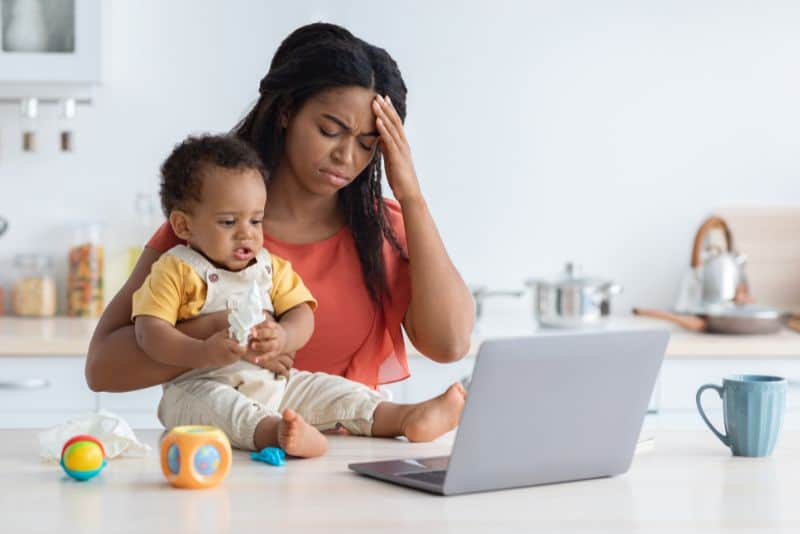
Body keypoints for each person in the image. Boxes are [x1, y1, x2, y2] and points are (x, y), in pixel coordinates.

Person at [85, 23, 474, 403]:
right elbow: (103, 368)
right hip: (234, 459)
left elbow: (450, 344)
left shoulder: (382, 229)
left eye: (367, 145)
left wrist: (411, 196)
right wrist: (228, 329)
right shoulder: (210, 226)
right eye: (329, 130)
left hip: (347, 457)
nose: (346, 156)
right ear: (286, 111)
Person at [134, 134, 466, 455]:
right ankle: (276, 433)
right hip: (199, 384)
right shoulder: (174, 270)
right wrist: (202, 351)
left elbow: (302, 313)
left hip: (273, 384)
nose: (246, 234)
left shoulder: (268, 267)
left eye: (256, 220)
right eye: (228, 222)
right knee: (220, 407)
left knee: (334, 390)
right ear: (183, 226)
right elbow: (150, 333)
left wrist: (283, 335)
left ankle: (404, 418)